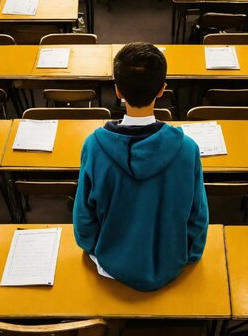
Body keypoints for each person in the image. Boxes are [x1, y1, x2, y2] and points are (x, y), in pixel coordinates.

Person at [73, 42, 208, 292]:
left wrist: (94, 249)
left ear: (118, 91)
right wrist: (189, 255)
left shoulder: (93, 146)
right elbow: (197, 217)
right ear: (162, 90)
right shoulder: (188, 149)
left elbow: (84, 217)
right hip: (171, 263)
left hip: (110, 263)